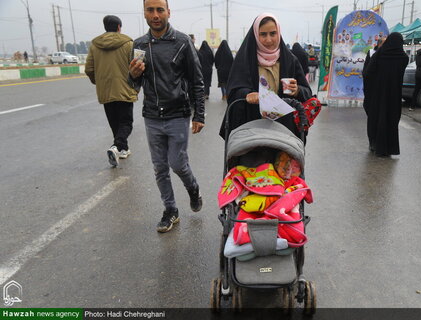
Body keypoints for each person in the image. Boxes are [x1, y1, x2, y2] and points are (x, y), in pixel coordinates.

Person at [129, 0, 205, 233]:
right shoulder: (139, 44)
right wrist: (132, 75)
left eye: (159, 10)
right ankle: (170, 210)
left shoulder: (182, 42)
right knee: (159, 167)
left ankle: (193, 189)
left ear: (168, 12)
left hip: (177, 115)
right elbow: (134, 84)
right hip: (152, 116)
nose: (155, 15)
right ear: (144, 13)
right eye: (150, 10)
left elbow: (197, 80)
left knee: (177, 163)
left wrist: (199, 114)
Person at [219, 13, 311, 139]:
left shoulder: (290, 61)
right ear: (256, 35)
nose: (268, 40)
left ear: (279, 33)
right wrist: (247, 94)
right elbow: (233, 92)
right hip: (251, 131)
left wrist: (297, 91)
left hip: (284, 133)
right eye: (263, 34)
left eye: (273, 33)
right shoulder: (244, 60)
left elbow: (307, 93)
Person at [85, 15, 138, 167]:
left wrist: (99, 82)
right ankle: (116, 147)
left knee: (115, 122)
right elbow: (137, 66)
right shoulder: (129, 44)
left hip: (106, 90)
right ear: (119, 27)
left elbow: (89, 69)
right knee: (126, 122)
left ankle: (123, 149)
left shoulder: (95, 45)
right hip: (125, 89)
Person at [364, 32, 409, 157]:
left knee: (376, 118)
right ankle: (390, 147)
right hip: (394, 96)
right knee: (391, 120)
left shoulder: (379, 54)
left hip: (377, 94)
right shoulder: (404, 58)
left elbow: (367, 73)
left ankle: (374, 144)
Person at [362, 37, 384, 116]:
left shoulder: (386, 54)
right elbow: (366, 69)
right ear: (379, 44)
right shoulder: (371, 52)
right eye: (383, 43)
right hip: (371, 82)